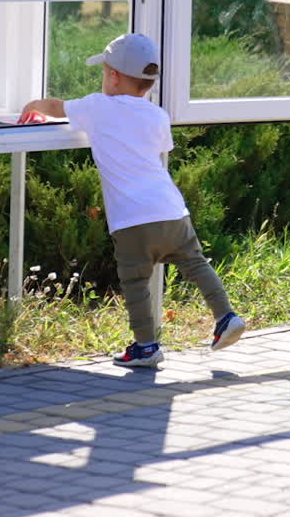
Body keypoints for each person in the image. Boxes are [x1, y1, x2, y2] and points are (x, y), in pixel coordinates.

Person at [18, 32, 246, 368]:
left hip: (131, 220)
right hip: (172, 210)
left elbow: (57, 109)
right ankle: (226, 316)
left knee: (136, 281)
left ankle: (146, 346)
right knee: (196, 264)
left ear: (112, 76)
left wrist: (33, 106)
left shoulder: (97, 106)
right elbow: (157, 149)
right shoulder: (157, 116)